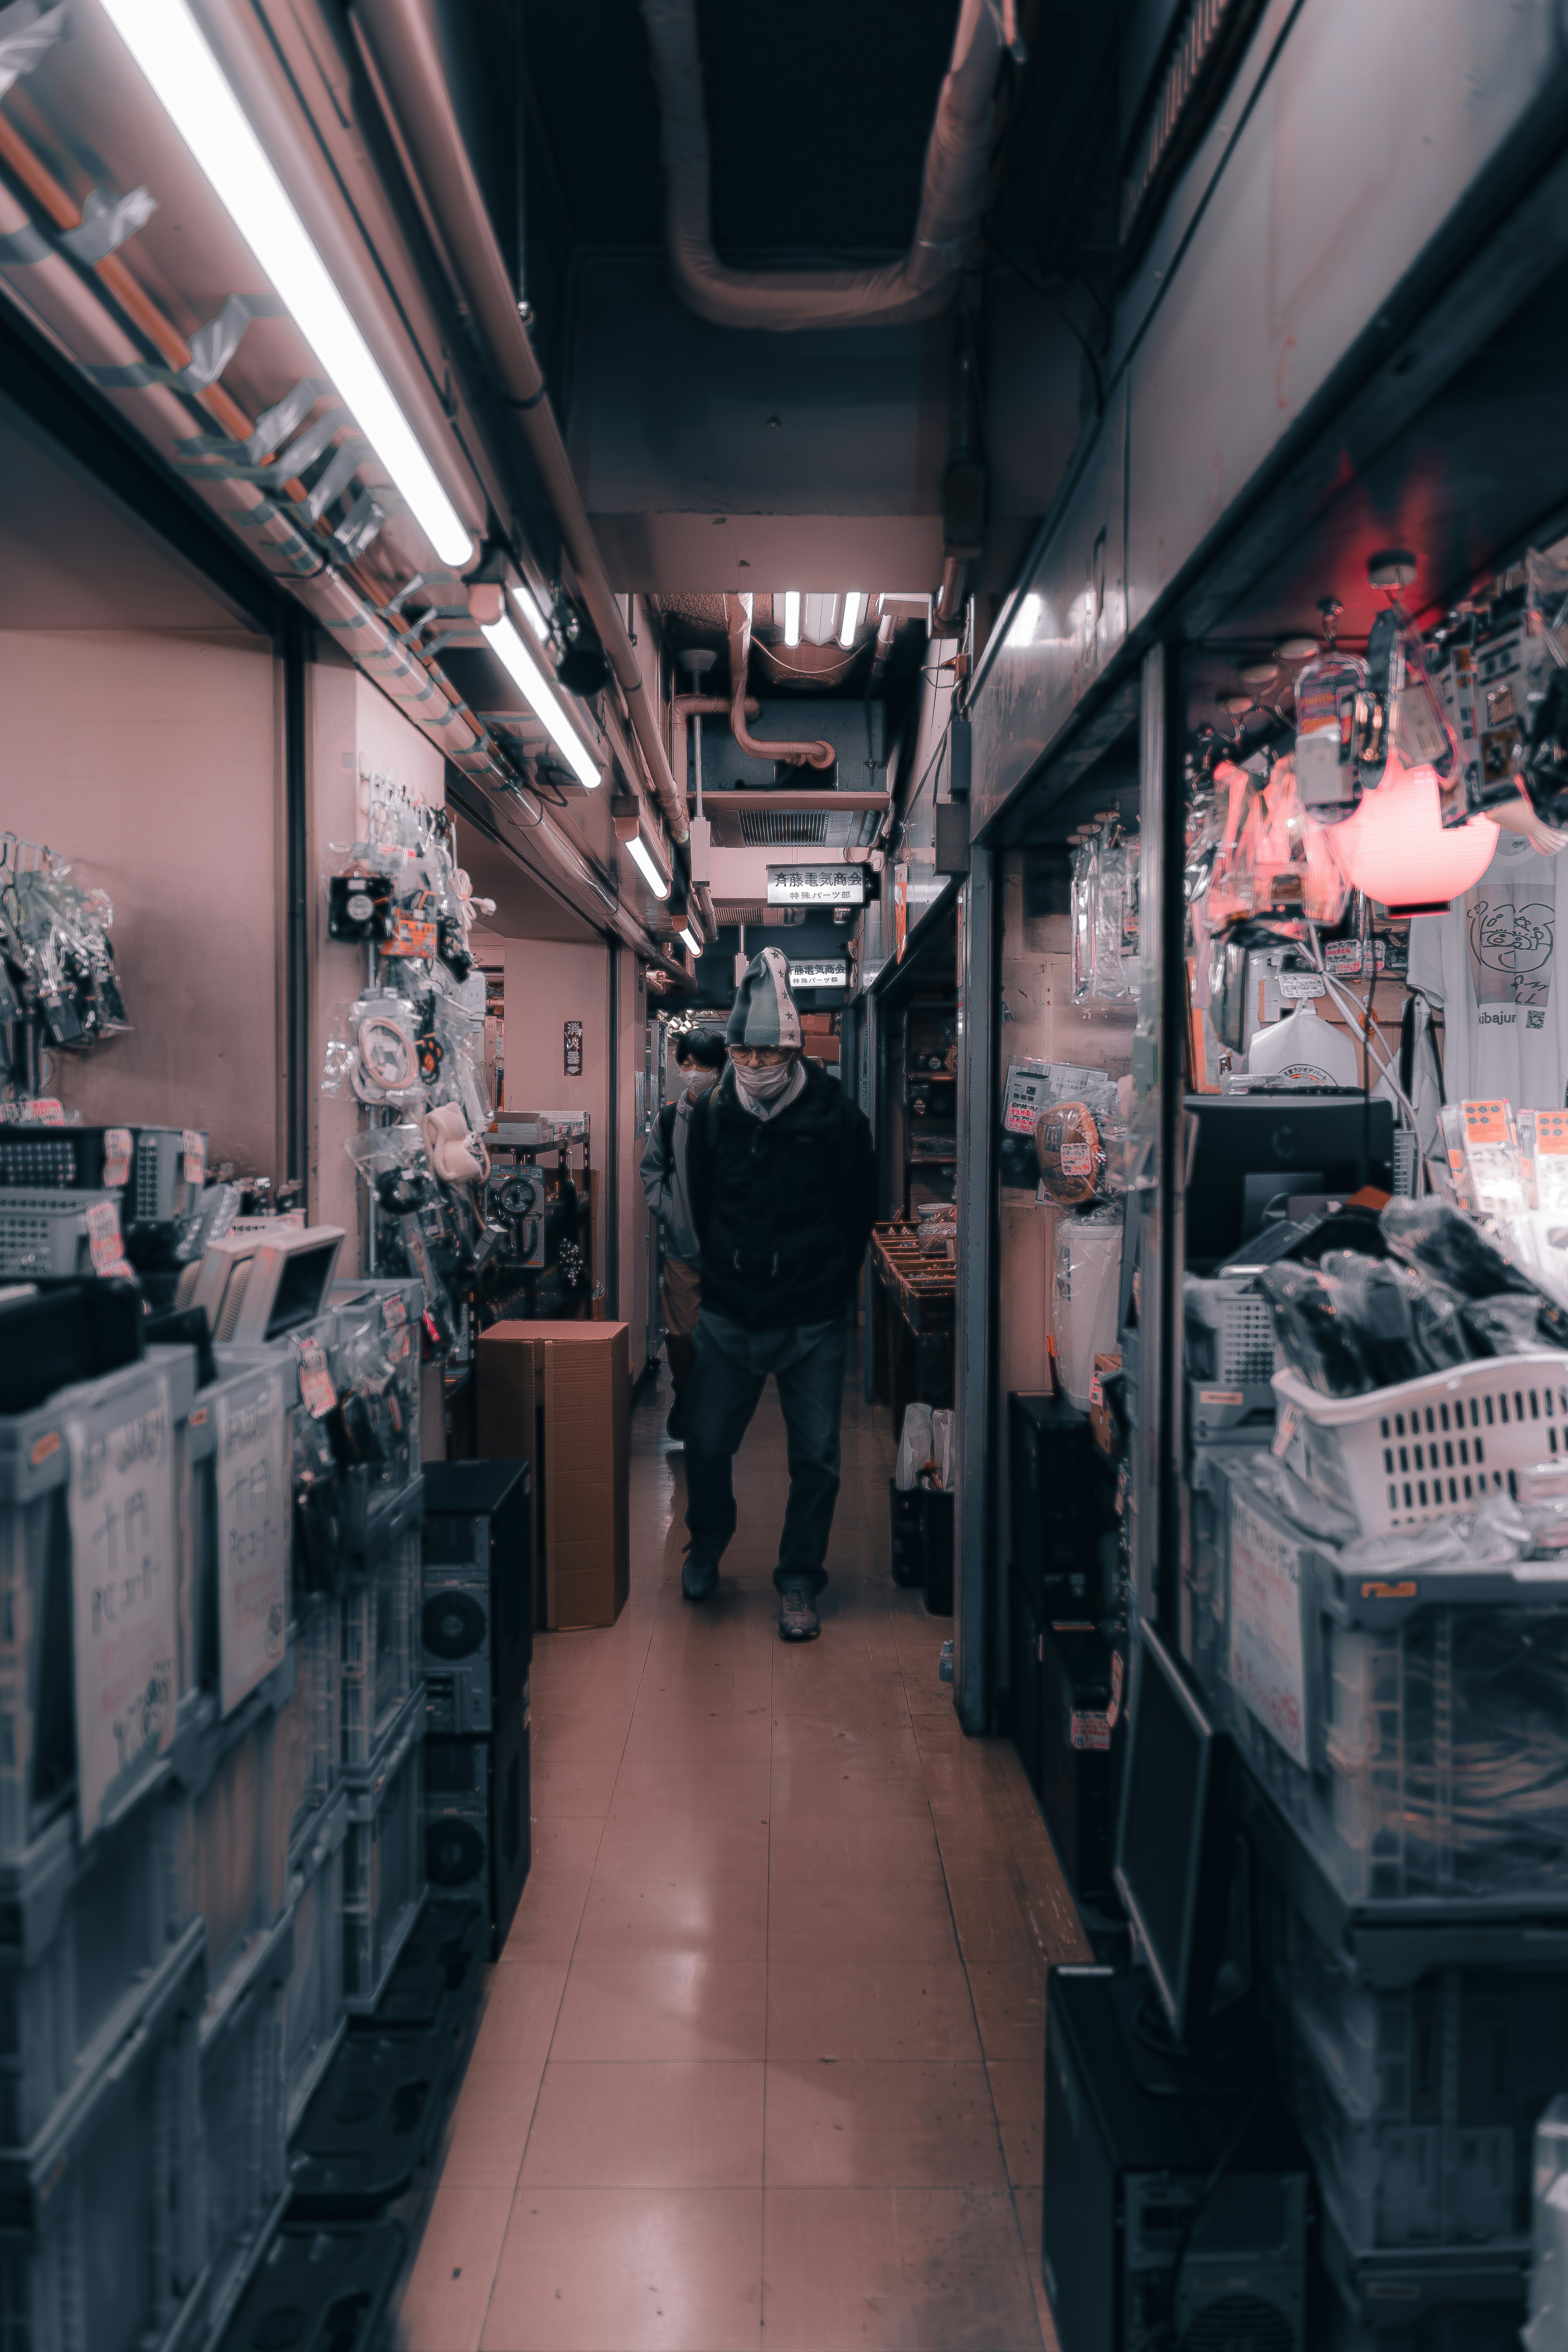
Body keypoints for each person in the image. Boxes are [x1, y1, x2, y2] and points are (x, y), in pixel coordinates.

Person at [681, 946, 877, 1641]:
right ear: (731, 1050)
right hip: (729, 1314)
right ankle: (706, 1543)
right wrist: (723, 1273)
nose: (757, 1069)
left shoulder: (837, 1121)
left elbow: (859, 1212)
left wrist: (829, 1282)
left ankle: (799, 1580)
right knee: (704, 1444)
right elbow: (700, 1203)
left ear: (793, 1054)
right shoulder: (711, 1118)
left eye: (769, 1058)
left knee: (818, 1457)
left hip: (812, 1319)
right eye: (745, 1056)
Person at [640, 1023, 728, 1440]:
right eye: (688, 1063)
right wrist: (667, 1210)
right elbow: (652, 1170)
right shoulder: (670, 1117)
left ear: (720, 1068)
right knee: (681, 1334)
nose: (694, 1071)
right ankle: (685, 1397)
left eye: (703, 1064)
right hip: (682, 1249)